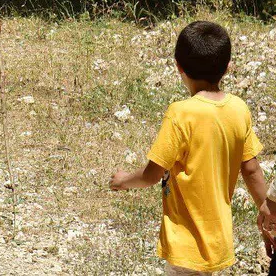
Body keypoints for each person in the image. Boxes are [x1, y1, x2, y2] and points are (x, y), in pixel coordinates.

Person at [110, 21, 268, 276]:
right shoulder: (239, 109)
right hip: (218, 240)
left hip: (185, 244)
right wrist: (266, 209)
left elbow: (152, 174)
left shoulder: (181, 114)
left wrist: (123, 180)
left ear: (178, 66)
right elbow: (251, 170)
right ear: (227, 68)